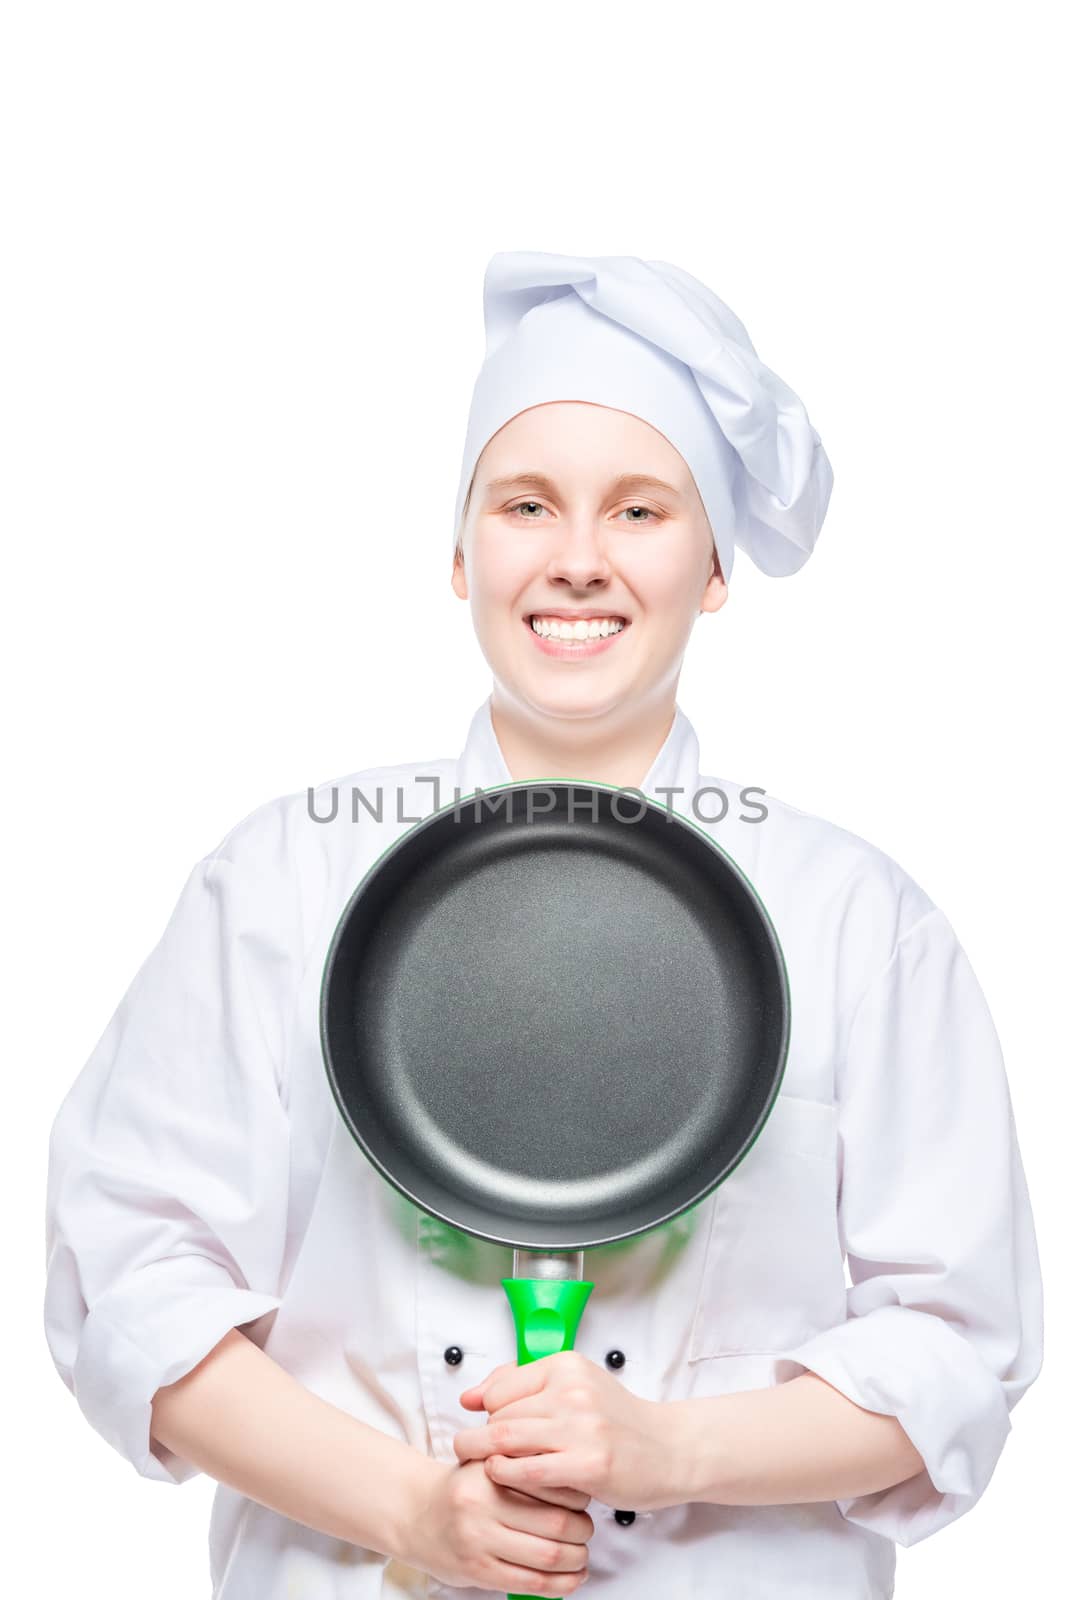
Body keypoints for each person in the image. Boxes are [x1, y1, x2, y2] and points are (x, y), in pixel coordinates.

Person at [44, 250, 1043, 1599]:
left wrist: (671, 1452)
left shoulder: (859, 924)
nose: (578, 561)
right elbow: (131, 1277)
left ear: (715, 568)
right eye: (527, 505)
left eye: (640, 510)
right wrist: (406, 1507)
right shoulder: (284, 882)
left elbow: (954, 1344)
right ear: (461, 553)